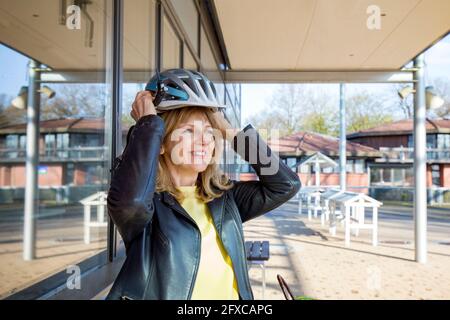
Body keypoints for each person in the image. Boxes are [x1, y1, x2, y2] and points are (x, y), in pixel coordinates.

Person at [106, 69, 301, 300]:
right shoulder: (148, 208)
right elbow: (132, 202)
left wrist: (225, 128)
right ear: (160, 144)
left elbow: (286, 184)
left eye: (209, 132)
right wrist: (148, 123)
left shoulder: (224, 197)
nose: (203, 141)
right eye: (189, 131)